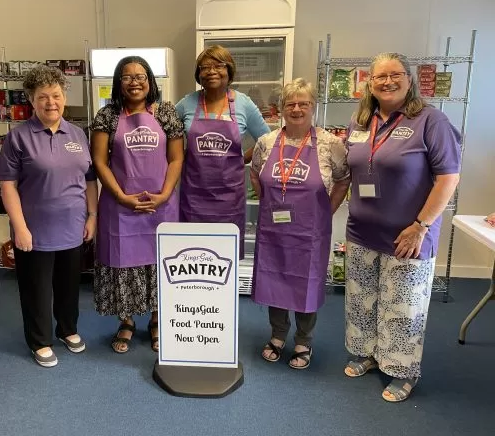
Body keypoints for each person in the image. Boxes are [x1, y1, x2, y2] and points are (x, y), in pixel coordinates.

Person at [344, 52, 461, 402]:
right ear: (370, 83)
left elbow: (448, 178)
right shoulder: (361, 121)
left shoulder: (431, 121)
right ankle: (367, 353)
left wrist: (421, 225)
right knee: (361, 302)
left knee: (403, 307)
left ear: (409, 81)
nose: (387, 81)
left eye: (396, 75)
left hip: (408, 235)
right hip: (362, 231)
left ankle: (401, 369)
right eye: (380, 76)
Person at [0, 65, 97, 367]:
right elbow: (7, 185)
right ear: (31, 100)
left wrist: (92, 216)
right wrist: (20, 227)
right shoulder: (18, 138)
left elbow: (90, 179)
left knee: (69, 285)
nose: (50, 102)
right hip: (35, 231)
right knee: (36, 289)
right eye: (43, 97)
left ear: (64, 96)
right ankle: (39, 340)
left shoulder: (78, 133)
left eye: (56, 95)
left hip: (73, 228)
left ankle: (67, 329)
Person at [250, 78, 350, 369]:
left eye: (303, 103)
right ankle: (278, 334)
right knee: (274, 278)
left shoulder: (331, 144)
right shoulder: (266, 142)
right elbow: (256, 173)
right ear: (281, 108)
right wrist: (268, 202)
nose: (296, 109)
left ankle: (304, 340)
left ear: (313, 107)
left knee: (307, 281)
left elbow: (343, 179)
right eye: (290, 103)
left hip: (310, 232)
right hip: (273, 231)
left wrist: (326, 212)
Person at [91, 56, 184, 354]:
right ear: (119, 83)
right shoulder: (107, 115)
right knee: (123, 263)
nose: (135, 82)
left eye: (141, 76)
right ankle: (127, 321)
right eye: (127, 77)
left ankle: (157, 320)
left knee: (159, 262)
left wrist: (166, 193)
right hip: (120, 206)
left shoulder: (166, 113)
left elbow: (176, 158)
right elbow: (99, 161)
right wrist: (120, 195)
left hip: (161, 205)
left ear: (150, 81)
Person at [175, 45, 270, 258]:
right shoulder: (187, 102)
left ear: (229, 70)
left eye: (218, 65)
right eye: (204, 67)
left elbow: (266, 140)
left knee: (224, 260)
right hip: (194, 198)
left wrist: (242, 159)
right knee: (193, 257)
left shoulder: (243, 103)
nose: (211, 71)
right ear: (198, 74)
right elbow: (165, 131)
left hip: (229, 199)